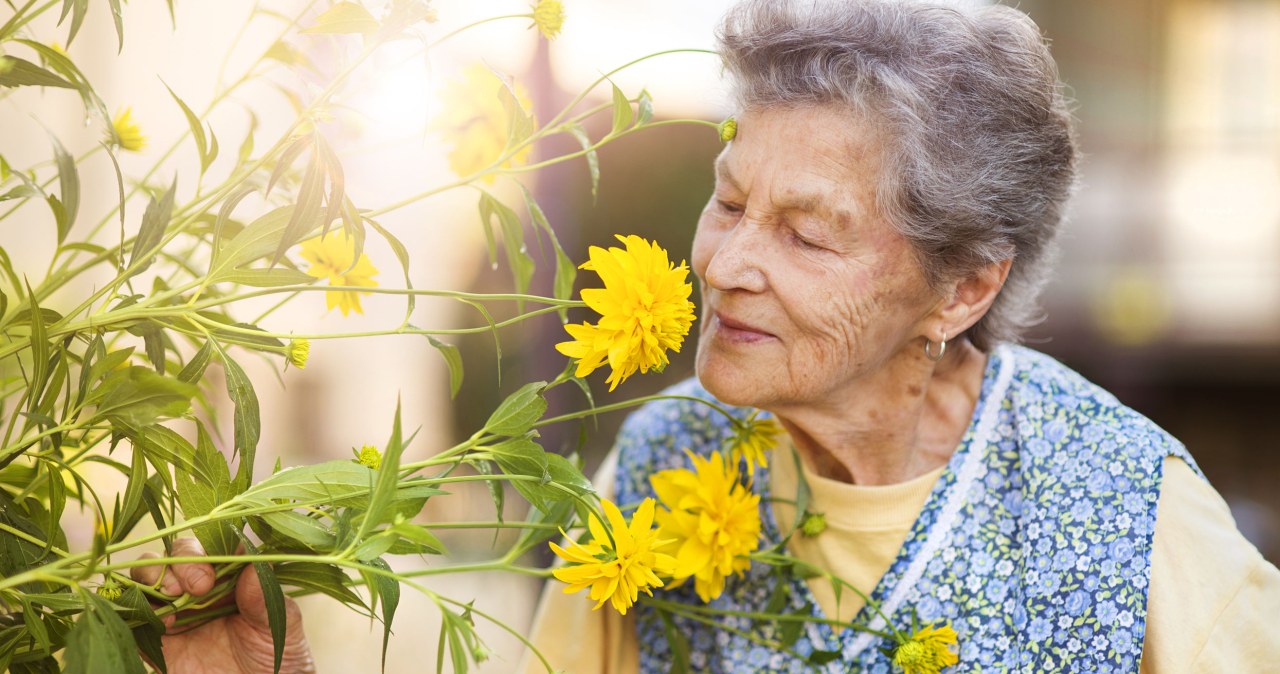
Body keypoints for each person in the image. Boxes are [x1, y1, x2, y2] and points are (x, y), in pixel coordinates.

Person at [139, 0, 1280, 672]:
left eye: (806, 233)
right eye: (729, 201)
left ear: (961, 289)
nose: (725, 262)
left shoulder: (1127, 511)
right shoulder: (657, 460)